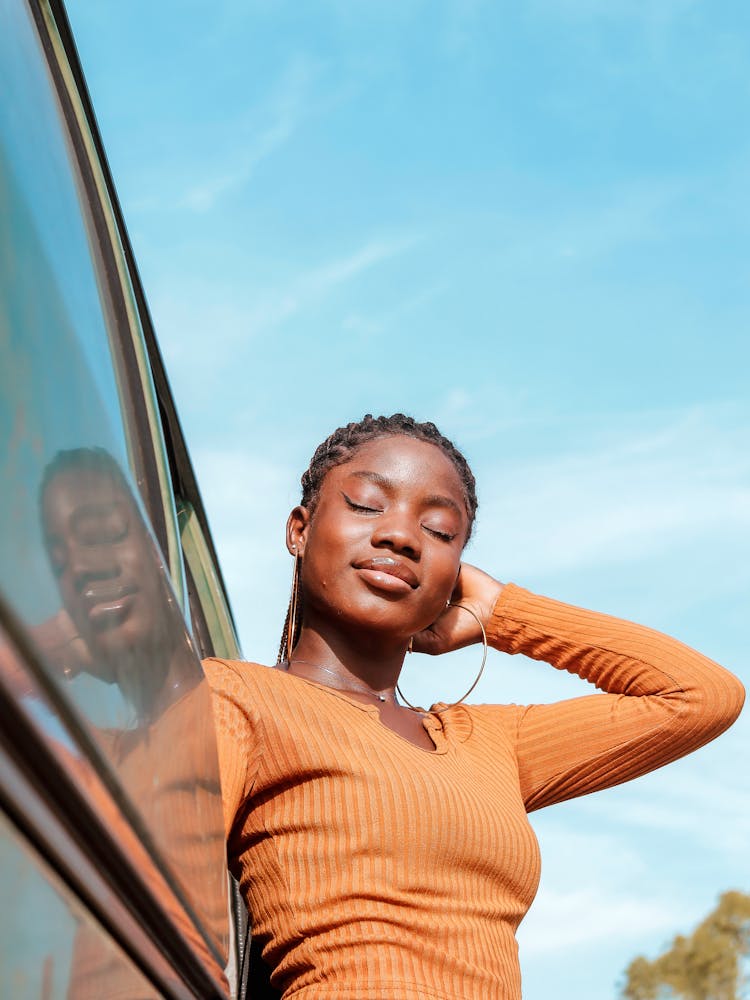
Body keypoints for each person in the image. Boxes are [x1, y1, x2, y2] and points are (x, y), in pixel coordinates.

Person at [202, 413, 744, 1000]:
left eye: (438, 530)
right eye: (366, 504)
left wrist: (503, 613)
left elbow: (701, 696)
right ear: (300, 530)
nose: (402, 536)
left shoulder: (492, 743)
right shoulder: (236, 696)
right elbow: (164, 905)